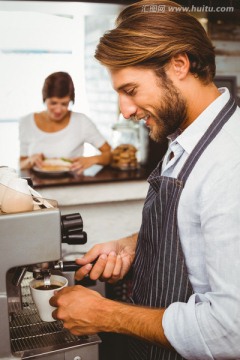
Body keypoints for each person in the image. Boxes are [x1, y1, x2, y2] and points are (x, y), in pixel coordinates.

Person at [49, 1, 240, 359]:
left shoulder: (230, 163)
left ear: (179, 65)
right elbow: (201, 225)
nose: (125, 109)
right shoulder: (188, 139)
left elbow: (232, 332)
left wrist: (104, 313)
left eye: (131, 90)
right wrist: (138, 243)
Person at [19, 71, 111, 174]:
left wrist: (92, 159)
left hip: (72, 186)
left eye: (64, 104)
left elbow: (109, 153)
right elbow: (21, 164)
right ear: (44, 98)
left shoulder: (81, 121)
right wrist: (30, 160)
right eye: (53, 103)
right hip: (36, 187)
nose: (58, 110)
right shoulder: (27, 122)